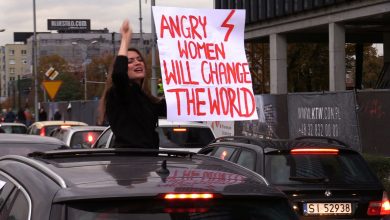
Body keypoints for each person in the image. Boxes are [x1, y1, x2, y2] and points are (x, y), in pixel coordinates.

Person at [101, 19, 166, 148]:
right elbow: (119, 75)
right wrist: (125, 39)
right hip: (128, 162)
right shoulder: (117, 93)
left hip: (151, 162)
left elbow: (174, 107)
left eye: (140, 60)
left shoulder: (147, 99)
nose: (137, 63)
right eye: (130, 61)